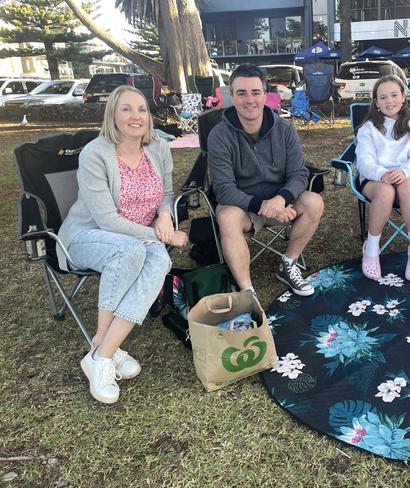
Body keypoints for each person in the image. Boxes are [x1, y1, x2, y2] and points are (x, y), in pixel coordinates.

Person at [57, 85, 188, 404]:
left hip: (141, 235)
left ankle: (102, 352)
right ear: (112, 114)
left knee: (160, 261)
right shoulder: (95, 153)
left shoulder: (157, 147)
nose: (136, 116)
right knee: (131, 250)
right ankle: (103, 353)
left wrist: (164, 217)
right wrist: (160, 235)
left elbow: (167, 195)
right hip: (87, 236)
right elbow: (105, 220)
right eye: (126, 109)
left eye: (142, 109)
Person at [208, 63, 324, 298]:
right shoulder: (219, 135)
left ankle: (288, 264)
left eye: (255, 92)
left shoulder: (285, 129)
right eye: (241, 93)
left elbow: (299, 173)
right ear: (231, 96)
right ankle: (247, 291)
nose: (249, 99)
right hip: (244, 207)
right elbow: (223, 189)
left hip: (282, 203)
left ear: (265, 95)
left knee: (314, 201)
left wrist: (281, 199)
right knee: (226, 217)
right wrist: (264, 206)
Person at [355, 74, 410, 281]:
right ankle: (371, 248)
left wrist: (404, 171)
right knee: (386, 190)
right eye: (383, 97)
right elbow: (364, 160)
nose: (390, 101)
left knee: (405, 186)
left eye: (394, 95)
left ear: (404, 96)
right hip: (374, 178)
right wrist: (382, 174)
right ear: (376, 102)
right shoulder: (368, 128)